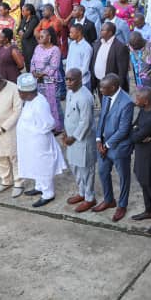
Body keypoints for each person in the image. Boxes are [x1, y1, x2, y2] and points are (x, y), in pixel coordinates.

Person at [15, 73, 67, 207]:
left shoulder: (40, 103)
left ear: (26, 92)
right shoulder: (29, 100)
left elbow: (50, 124)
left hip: (39, 143)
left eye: (20, 91)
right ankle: (39, 187)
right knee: (35, 165)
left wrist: (34, 132)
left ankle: (48, 194)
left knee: (43, 167)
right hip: (30, 143)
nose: (18, 93)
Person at [93, 74, 135, 222]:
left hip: (118, 147)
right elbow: (102, 117)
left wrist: (107, 145)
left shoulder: (127, 103)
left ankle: (122, 205)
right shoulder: (106, 95)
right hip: (103, 144)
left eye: (103, 88)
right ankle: (109, 199)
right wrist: (98, 139)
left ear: (113, 87)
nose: (100, 90)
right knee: (103, 172)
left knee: (123, 177)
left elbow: (123, 130)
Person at [128, 86, 151, 233]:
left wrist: (136, 133)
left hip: (150, 157)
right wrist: (136, 132)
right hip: (141, 153)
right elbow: (133, 128)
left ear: (146, 101)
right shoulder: (144, 110)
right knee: (143, 182)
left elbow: (134, 136)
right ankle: (149, 210)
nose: (135, 100)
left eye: (138, 98)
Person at [61, 68, 97, 212]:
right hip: (70, 138)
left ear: (80, 80)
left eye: (72, 79)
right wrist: (65, 132)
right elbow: (68, 114)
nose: (68, 82)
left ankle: (89, 198)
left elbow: (86, 122)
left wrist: (74, 137)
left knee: (86, 170)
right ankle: (81, 192)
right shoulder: (70, 93)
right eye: (67, 79)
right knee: (75, 167)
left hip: (82, 140)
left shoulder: (85, 97)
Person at [30, 27, 64, 133]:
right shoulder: (37, 48)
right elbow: (32, 61)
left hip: (51, 80)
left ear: (49, 38)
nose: (39, 38)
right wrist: (34, 71)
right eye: (39, 36)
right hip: (38, 80)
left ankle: (58, 127)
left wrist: (42, 73)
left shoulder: (55, 50)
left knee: (53, 102)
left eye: (42, 36)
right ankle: (46, 123)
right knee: (42, 102)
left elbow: (54, 66)